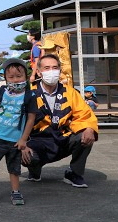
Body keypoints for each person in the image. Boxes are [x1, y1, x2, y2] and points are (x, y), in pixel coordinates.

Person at [21, 54, 98, 188]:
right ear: (38, 72)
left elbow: (84, 114)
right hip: (38, 141)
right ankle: (34, 169)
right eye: (47, 68)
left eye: (55, 67)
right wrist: (22, 144)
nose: (51, 71)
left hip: (63, 139)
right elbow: (18, 121)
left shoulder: (70, 92)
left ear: (60, 70)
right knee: (22, 151)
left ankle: (75, 173)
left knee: (85, 134)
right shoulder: (29, 93)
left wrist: (89, 128)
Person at [0, 58, 38, 205]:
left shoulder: (30, 96)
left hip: (15, 140)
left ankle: (16, 192)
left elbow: (31, 119)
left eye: (19, 76)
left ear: (26, 76)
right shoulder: (2, 90)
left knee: (14, 168)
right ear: (5, 78)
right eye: (11, 77)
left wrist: (23, 139)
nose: (15, 80)